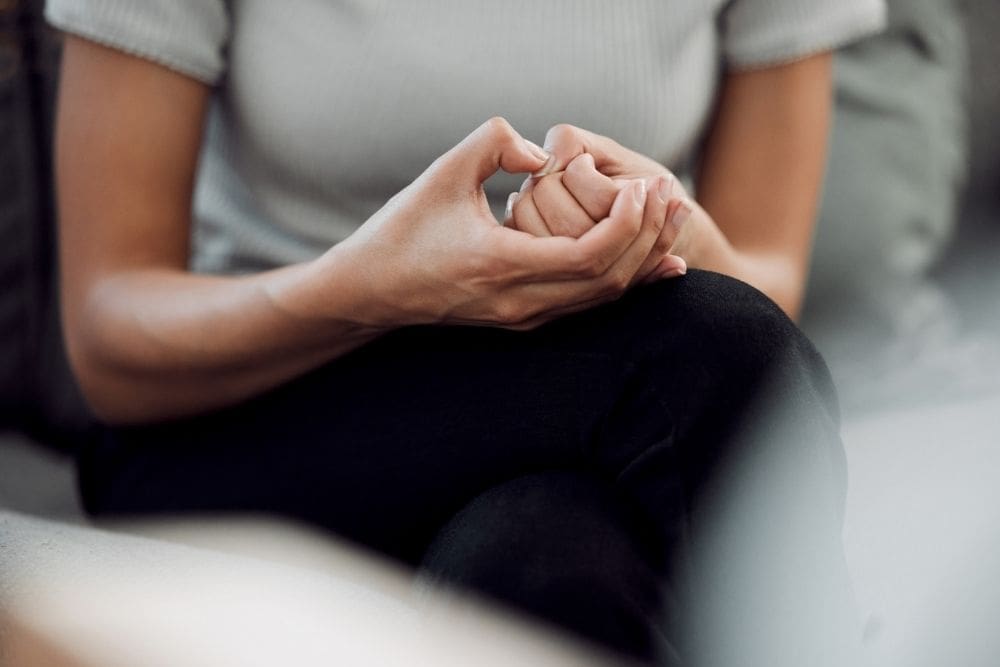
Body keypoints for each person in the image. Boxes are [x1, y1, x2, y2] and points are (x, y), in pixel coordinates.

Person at [47, 0, 885, 663]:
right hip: (246, 414)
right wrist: (367, 287)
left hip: (569, 406)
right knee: (711, 349)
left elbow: (769, 267)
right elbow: (105, 336)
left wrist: (673, 227)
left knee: (541, 565)